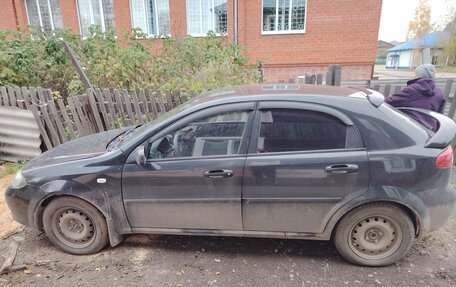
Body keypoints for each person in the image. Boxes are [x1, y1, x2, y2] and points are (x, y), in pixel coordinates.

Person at [385, 64, 445, 131]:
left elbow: (389, 101)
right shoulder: (439, 92)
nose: (414, 75)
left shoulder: (412, 90)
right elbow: (439, 115)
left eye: (415, 73)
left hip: (413, 128)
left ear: (419, 74)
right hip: (430, 129)